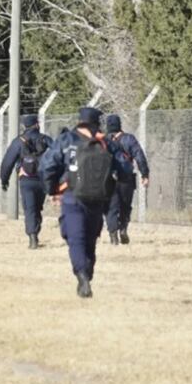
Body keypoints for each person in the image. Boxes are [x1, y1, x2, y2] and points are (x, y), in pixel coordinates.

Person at [39, 107, 126, 298]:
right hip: (99, 199)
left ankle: (82, 276)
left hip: (72, 196)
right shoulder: (106, 142)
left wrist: (52, 189)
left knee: (75, 237)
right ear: (97, 123)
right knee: (90, 239)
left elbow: (47, 165)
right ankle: (88, 271)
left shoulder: (66, 140)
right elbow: (124, 167)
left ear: (80, 121)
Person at [0, 114, 53, 249]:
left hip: (26, 179)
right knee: (37, 207)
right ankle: (35, 230)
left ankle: (32, 236)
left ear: (25, 126)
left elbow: (8, 162)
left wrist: (4, 180)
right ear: (36, 124)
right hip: (42, 178)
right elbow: (58, 153)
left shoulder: (18, 141)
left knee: (30, 208)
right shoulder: (45, 139)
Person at [103, 114, 150, 245]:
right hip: (126, 178)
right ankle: (123, 228)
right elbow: (139, 156)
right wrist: (145, 174)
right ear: (120, 125)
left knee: (110, 207)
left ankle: (113, 234)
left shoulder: (104, 141)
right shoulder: (129, 139)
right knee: (125, 206)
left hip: (108, 179)